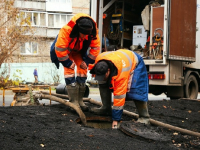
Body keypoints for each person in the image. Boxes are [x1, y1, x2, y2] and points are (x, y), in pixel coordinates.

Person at [88, 49, 150, 129]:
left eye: (104, 76)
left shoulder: (121, 73)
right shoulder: (99, 61)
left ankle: (144, 117)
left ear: (108, 71)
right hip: (119, 58)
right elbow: (102, 77)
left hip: (135, 63)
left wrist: (115, 120)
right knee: (102, 83)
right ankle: (106, 108)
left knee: (136, 90)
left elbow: (119, 98)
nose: (102, 78)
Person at [54, 13, 100, 111]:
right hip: (67, 52)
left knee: (83, 69)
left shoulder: (93, 32)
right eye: (83, 34)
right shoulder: (66, 30)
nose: (84, 37)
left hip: (79, 51)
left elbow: (95, 48)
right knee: (69, 71)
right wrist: (68, 63)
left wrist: (87, 62)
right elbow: (60, 50)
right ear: (78, 30)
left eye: (87, 35)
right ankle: (73, 102)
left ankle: (80, 101)